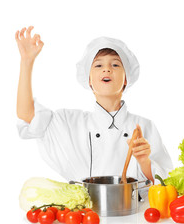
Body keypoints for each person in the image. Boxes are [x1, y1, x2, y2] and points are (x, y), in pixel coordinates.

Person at [15, 26, 173, 186]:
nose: (107, 69)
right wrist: (26, 62)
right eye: (98, 65)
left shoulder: (144, 126)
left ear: (126, 79)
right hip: (84, 211)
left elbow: (165, 182)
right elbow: (26, 115)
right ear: (89, 79)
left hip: (134, 211)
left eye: (116, 65)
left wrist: (144, 161)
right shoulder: (69, 122)